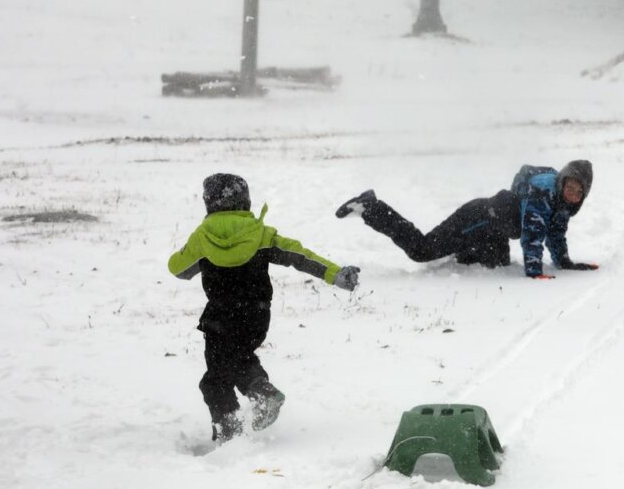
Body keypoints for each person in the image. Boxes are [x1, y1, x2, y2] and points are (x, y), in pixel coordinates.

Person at [168, 173, 360, 443]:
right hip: (255, 314)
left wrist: (197, 253)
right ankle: (259, 395)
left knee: (216, 379)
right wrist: (335, 274)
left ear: (208, 202)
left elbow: (178, 269)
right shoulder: (261, 234)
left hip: (220, 318)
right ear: (245, 201)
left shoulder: (202, 238)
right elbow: (300, 256)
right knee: (238, 361)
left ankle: (231, 427)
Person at [334, 161, 598, 280]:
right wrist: (534, 271)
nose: (573, 194)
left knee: (494, 266)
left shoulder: (562, 204)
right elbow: (532, 234)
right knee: (422, 250)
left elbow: (555, 234)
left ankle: (461, 255)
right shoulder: (544, 192)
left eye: (579, 192)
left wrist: (564, 263)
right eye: (570, 187)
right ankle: (370, 207)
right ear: (562, 180)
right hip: (478, 217)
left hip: (494, 231)